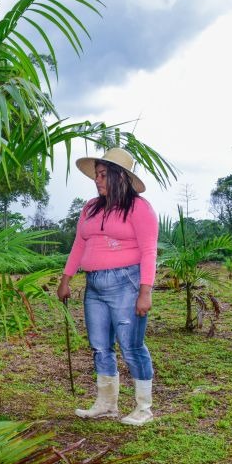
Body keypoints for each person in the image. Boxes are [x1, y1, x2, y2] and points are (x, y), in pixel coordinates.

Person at [56, 147, 158, 426]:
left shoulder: (139, 208)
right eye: (96, 175)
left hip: (126, 282)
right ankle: (106, 404)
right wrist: (66, 279)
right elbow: (79, 244)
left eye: (103, 175)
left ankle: (143, 408)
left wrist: (145, 291)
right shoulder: (90, 207)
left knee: (131, 346)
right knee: (100, 346)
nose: (97, 180)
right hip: (95, 285)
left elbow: (149, 251)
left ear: (120, 177)